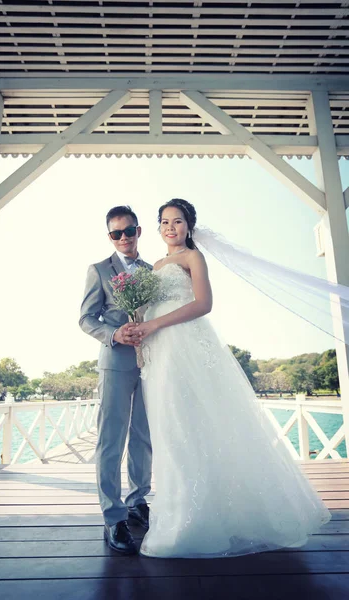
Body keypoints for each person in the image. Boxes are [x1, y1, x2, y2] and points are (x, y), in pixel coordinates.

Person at [133, 198, 331, 559]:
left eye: (177, 221)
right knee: (171, 430)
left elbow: (203, 304)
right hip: (158, 352)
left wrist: (155, 323)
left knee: (197, 424)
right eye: (164, 222)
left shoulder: (193, 258)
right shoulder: (156, 265)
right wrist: (140, 330)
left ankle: (212, 519)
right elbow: (146, 308)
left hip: (186, 345)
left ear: (189, 226)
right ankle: (180, 513)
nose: (170, 228)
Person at [79, 205, 152, 555]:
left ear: (139, 231)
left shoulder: (154, 271)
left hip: (152, 364)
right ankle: (113, 516)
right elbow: (86, 318)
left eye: (129, 230)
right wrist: (115, 334)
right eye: (116, 233)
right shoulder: (98, 270)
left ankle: (139, 501)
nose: (123, 238)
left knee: (144, 436)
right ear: (109, 236)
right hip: (115, 363)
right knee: (111, 439)